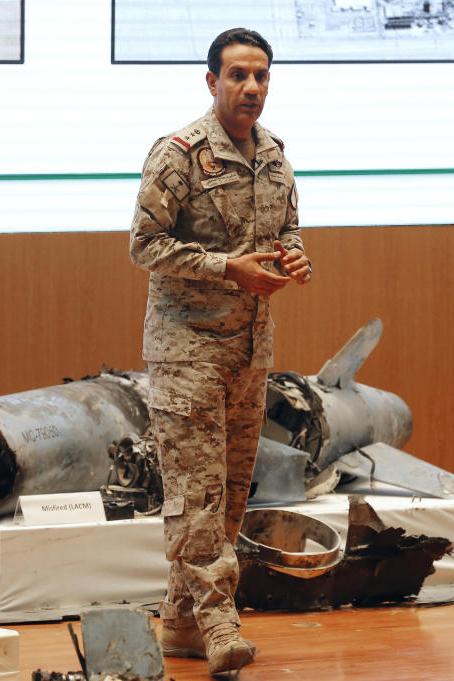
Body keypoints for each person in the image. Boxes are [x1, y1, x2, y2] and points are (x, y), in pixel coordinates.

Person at [129, 27, 311, 677]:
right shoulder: (177, 154)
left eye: (261, 75)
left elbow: (287, 228)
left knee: (230, 494)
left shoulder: (274, 156)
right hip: (186, 351)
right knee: (195, 495)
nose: (252, 87)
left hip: (249, 351)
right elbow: (144, 244)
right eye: (238, 75)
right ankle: (216, 618)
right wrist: (226, 268)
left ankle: (177, 620)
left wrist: (293, 255)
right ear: (212, 82)